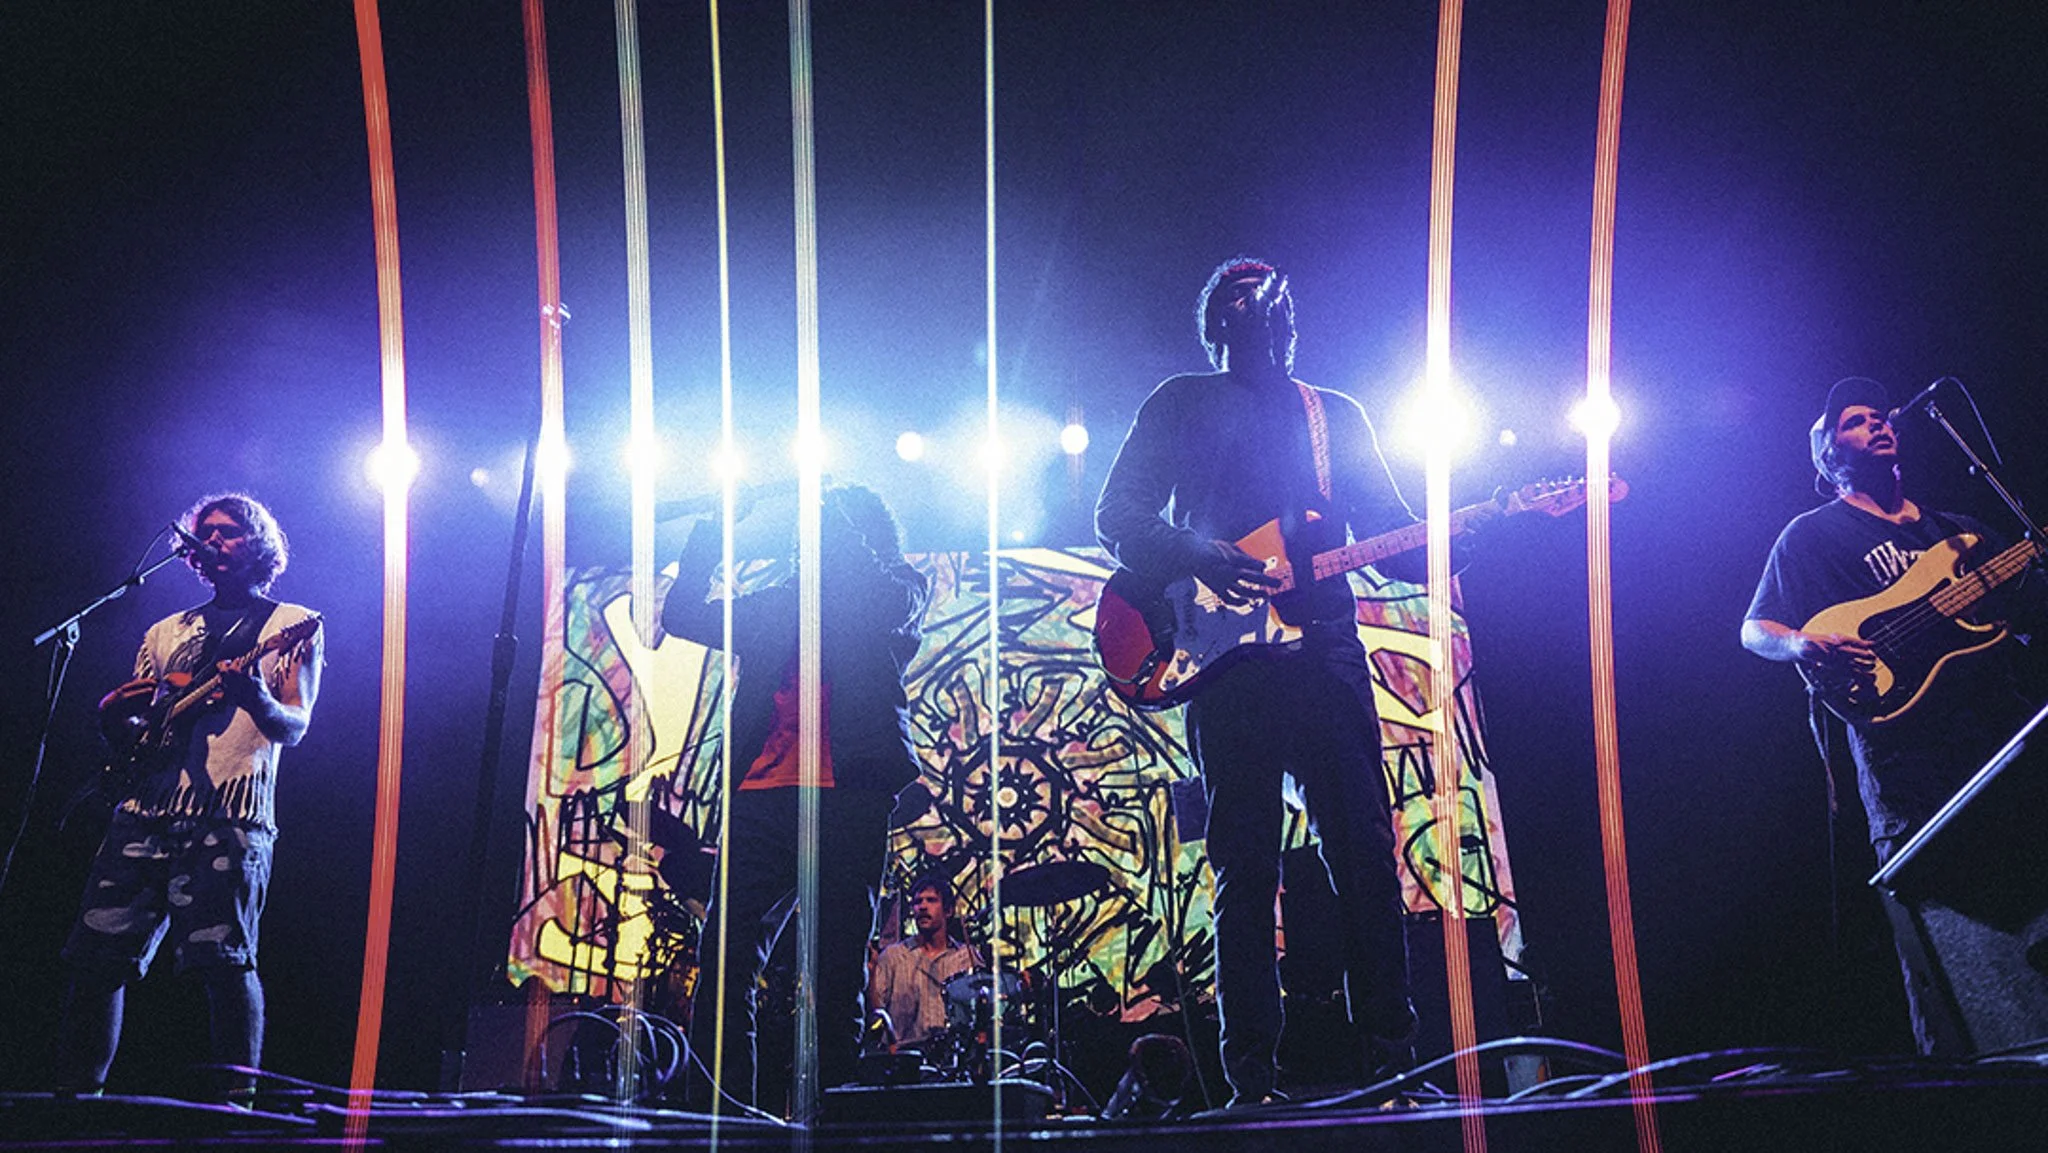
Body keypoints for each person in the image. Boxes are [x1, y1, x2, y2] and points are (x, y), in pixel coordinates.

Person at [1095, 256, 1420, 1106]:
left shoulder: (1332, 414)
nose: (1254, 304)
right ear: (1216, 325)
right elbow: (1117, 517)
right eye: (1235, 297)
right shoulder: (1180, 401)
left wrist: (1483, 524)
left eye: (1266, 294)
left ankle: (1393, 1059)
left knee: (1367, 858)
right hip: (1225, 665)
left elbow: (1397, 540)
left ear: (1288, 320)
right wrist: (1203, 554)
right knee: (1245, 874)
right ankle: (1251, 1081)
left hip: (1326, 656)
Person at [1742, 376, 2041, 1053]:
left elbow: (2027, 612)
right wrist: (1804, 642)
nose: (1877, 424)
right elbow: (1754, 628)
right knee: (1950, 944)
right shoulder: (1812, 535)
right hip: (1911, 769)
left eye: (1880, 416)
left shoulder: (1960, 532)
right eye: (1854, 421)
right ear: (1828, 453)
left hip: (2000, 744)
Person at [662, 482, 929, 1112]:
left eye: (825, 528)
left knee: (835, 975)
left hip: (848, 799)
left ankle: (830, 1122)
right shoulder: (780, 605)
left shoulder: (896, 588)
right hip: (762, 799)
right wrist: (713, 531)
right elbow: (682, 615)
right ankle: (723, 1122)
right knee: (725, 968)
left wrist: (829, 512)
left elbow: (869, 598)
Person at [55, 493, 323, 1103]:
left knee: (222, 962)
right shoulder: (165, 631)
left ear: (256, 545)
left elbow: (294, 725)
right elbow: (142, 730)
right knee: (97, 959)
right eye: (205, 535)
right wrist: (110, 719)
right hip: (144, 810)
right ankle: (74, 1102)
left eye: (229, 533)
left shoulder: (290, 624)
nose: (215, 542)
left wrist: (254, 698)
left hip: (229, 814)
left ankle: (236, 1109)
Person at [866, 873, 978, 1050]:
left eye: (931, 900)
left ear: (948, 911)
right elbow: (876, 1013)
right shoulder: (894, 956)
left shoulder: (966, 957)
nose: (922, 907)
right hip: (905, 1058)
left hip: (954, 1058)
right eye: (918, 902)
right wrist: (871, 974)